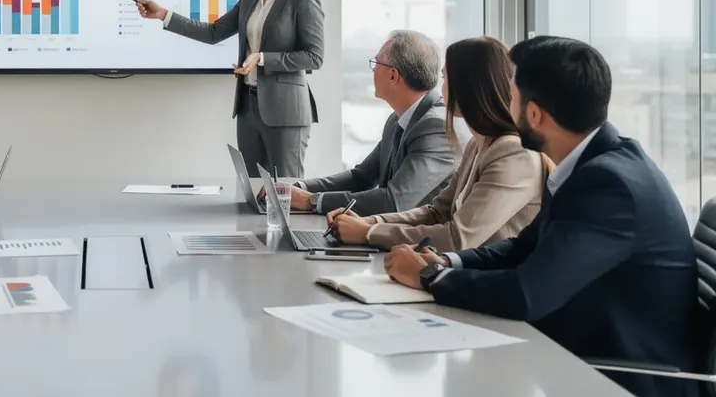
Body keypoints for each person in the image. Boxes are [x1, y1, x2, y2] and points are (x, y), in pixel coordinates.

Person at [384, 36, 698, 397]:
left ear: (534, 114)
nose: (507, 102)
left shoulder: (609, 185)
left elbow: (526, 294)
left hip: (618, 376)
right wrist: (446, 260)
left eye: (513, 94)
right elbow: (523, 247)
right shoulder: (591, 164)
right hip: (577, 348)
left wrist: (428, 277)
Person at [326, 36, 547, 251]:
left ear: (468, 87)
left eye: (445, 79)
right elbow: (437, 212)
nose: (440, 89)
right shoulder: (478, 146)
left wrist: (368, 234)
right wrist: (372, 222)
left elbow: (457, 237)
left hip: (489, 280)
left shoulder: (513, 154)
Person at [137, 0, 323, 179]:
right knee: (252, 193)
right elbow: (214, 32)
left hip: (286, 112)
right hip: (248, 108)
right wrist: (164, 15)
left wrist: (262, 59)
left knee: (285, 194)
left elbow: (314, 56)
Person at [283, 30, 456, 216]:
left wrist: (311, 201)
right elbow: (361, 178)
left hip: (416, 241)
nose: (373, 70)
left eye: (376, 63)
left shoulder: (437, 127)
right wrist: (298, 188)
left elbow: (393, 201)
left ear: (393, 76)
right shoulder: (397, 119)